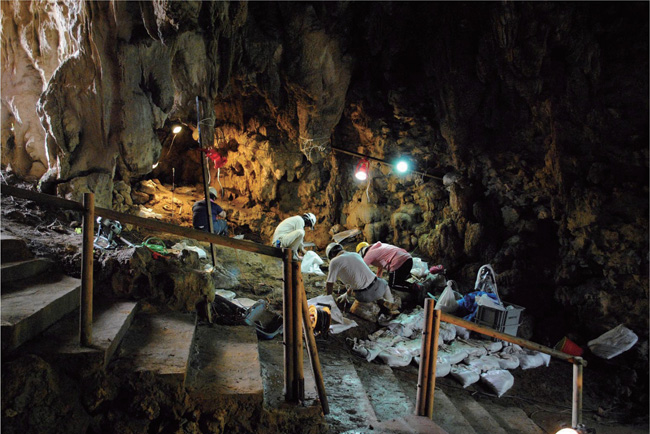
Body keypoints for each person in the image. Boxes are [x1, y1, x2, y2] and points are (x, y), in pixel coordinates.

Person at [325, 242, 396, 310]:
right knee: (383, 285)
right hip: (381, 286)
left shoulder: (334, 261)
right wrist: (346, 294)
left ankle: (376, 303)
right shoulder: (355, 254)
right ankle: (389, 303)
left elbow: (329, 283)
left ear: (331, 256)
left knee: (355, 297)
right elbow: (357, 277)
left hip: (365, 295)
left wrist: (329, 299)